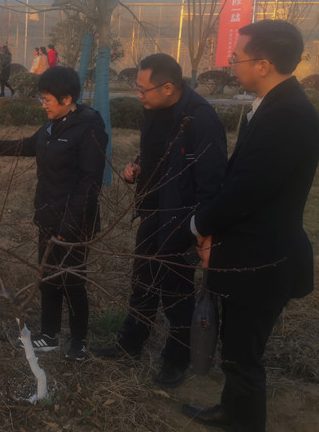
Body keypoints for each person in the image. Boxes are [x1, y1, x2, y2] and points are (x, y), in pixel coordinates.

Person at [182, 20, 319, 431]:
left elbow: (247, 191)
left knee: (244, 355)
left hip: (264, 259)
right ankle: (231, 412)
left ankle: (244, 422)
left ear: (263, 64)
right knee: (236, 348)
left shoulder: (288, 115)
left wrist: (198, 225)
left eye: (236, 57)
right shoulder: (273, 105)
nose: (231, 64)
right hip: (250, 251)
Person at [93, 53, 227, 388]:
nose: (138, 94)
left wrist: (201, 231)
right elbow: (157, 154)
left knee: (175, 291)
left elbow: (211, 182)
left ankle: (176, 360)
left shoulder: (200, 119)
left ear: (168, 87)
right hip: (153, 210)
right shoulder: (155, 111)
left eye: (143, 89)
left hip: (181, 219)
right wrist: (137, 166)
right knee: (143, 281)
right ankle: (130, 343)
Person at [0, 66, 108, 361]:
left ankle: (78, 341)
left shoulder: (89, 128)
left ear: (67, 99)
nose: (43, 105)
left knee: (72, 282)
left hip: (74, 222)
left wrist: (69, 225)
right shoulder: (52, 125)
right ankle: (49, 335)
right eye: (42, 98)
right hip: (48, 215)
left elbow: (89, 183)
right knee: (49, 277)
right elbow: (32, 144)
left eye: (47, 99)